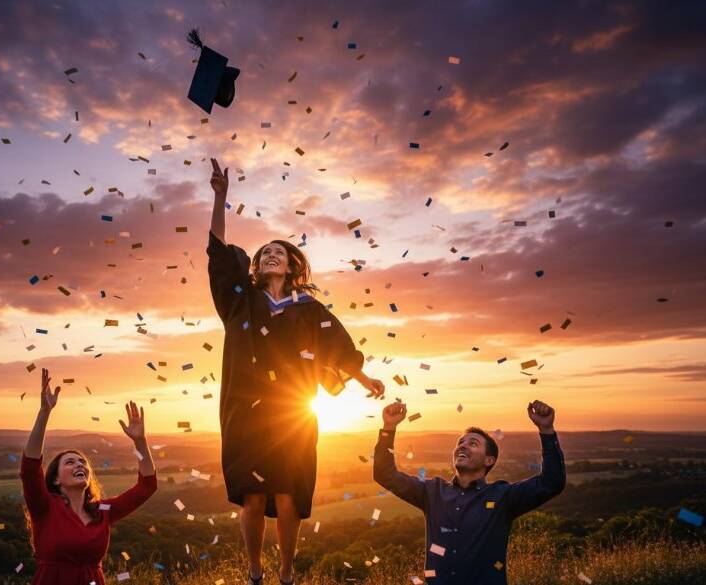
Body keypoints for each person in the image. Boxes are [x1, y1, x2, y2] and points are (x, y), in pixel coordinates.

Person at [206, 158, 386, 585]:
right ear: (256, 265)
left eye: (280, 253)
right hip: (247, 411)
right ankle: (255, 571)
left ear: (291, 267)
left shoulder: (308, 309)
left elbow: (336, 347)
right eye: (265, 252)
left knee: (288, 497)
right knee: (252, 498)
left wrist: (363, 378)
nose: (271, 255)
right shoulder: (240, 302)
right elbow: (217, 254)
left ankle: (286, 573)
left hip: (294, 414)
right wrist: (219, 198)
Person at [373, 399, 566, 584]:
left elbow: (551, 482)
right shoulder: (432, 492)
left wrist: (546, 430)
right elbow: (384, 474)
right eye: (460, 443)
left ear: (489, 460)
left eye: (473, 443)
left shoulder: (503, 497)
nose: (463, 446)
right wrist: (388, 428)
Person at [20, 368, 157, 585]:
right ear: (56, 479)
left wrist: (140, 442)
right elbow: (29, 469)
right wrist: (44, 412)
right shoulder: (45, 507)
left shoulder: (102, 512)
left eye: (83, 462)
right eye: (70, 462)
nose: (79, 464)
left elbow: (147, 486)